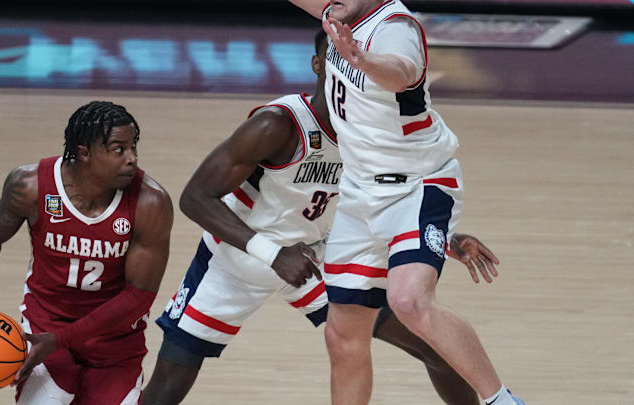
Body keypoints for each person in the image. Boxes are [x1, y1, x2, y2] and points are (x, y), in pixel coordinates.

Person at [142, 30, 499, 405]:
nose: (348, 67)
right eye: (337, 57)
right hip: (237, 258)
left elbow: (395, 195)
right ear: (318, 64)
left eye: (356, 57)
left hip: (316, 258)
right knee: (167, 388)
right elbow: (195, 198)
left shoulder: (371, 134)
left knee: (434, 347)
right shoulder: (277, 125)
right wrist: (274, 255)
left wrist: (438, 236)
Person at [286, 1, 526, 404]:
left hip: (417, 184)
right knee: (342, 330)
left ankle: (501, 400)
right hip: (361, 193)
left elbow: (402, 74)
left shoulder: (396, 26)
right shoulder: (341, 12)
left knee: (409, 300)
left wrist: (362, 59)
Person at [0, 101, 173, 405]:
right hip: (45, 325)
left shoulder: (149, 203)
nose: (132, 159)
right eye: (119, 149)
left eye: (133, 147)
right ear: (85, 152)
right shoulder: (30, 186)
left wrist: (61, 339)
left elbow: (138, 297)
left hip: (114, 339)